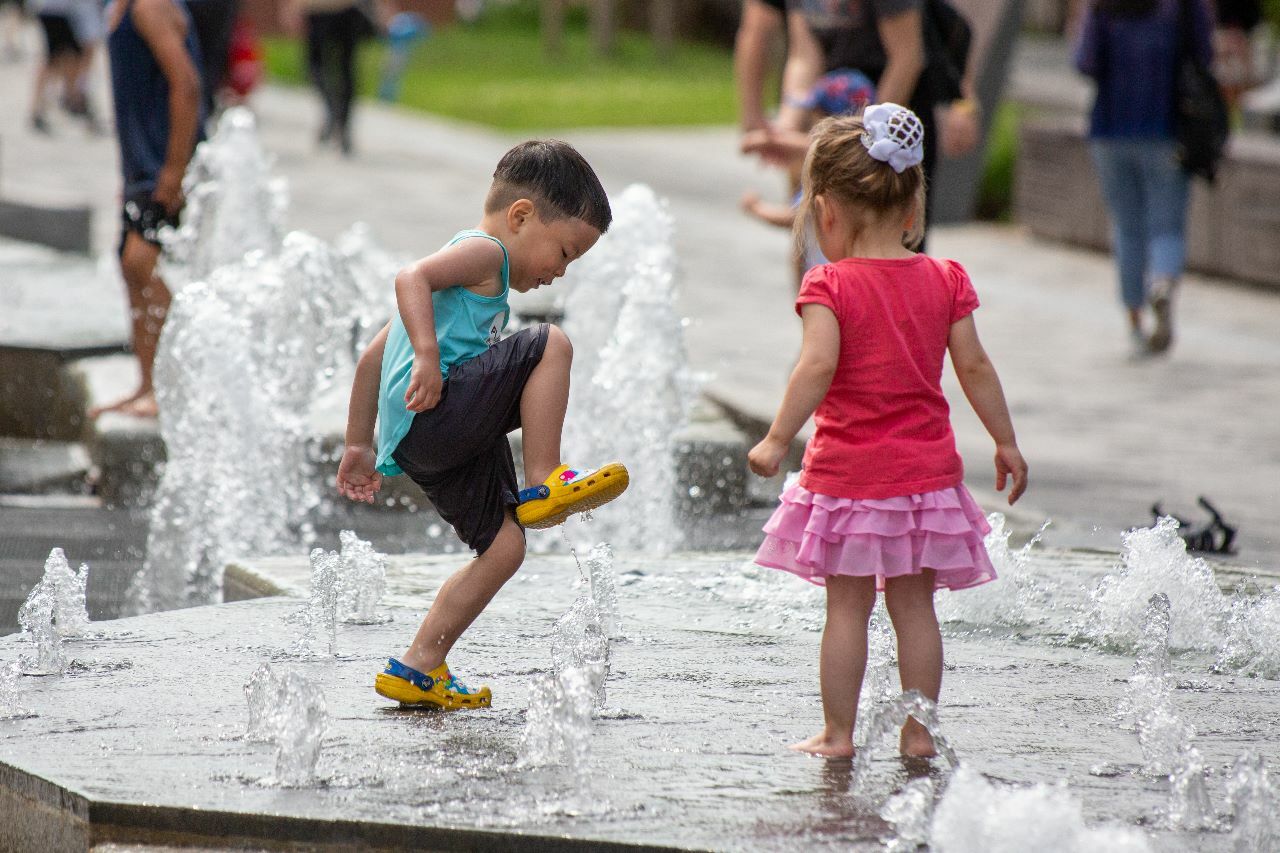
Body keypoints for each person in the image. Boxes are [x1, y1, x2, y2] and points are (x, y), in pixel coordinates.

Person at [747, 105, 1028, 757]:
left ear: (827, 214)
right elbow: (975, 366)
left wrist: (773, 436)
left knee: (846, 609)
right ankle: (918, 733)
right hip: (925, 479)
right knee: (915, 609)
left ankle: (839, 733)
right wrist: (1005, 439)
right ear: (911, 208)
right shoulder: (945, 277)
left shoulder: (829, 283)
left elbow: (815, 365)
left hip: (850, 476)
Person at [336, 140, 631, 710]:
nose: (561, 272)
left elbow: (374, 356)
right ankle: (545, 478)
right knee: (551, 343)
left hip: (424, 440)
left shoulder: (471, 281)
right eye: (564, 252)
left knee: (504, 547)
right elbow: (409, 277)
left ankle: (418, 666)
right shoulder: (485, 252)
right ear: (521, 216)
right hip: (440, 418)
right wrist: (427, 354)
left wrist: (357, 443)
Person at [778, 0, 980, 249]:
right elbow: (804, 55)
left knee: (891, 236)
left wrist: (864, 138)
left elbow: (906, 58)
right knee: (818, 238)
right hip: (835, 108)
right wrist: (786, 129)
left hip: (896, 119)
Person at [1074, 0, 1214, 355]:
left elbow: (1085, 63)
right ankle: (1163, 283)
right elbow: (1205, 56)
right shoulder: (1184, 7)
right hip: (1167, 129)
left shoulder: (1103, 7)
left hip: (1109, 129)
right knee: (1167, 225)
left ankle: (1135, 323)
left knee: (1127, 226)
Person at [94, 0, 204, 418]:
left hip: (165, 161)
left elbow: (187, 85)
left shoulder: (150, 5)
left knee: (140, 262)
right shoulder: (121, 7)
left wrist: (174, 168)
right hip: (145, 163)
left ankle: (177, 384)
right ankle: (147, 384)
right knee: (129, 265)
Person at [281, 0, 373, 155]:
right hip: (333, 8)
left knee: (324, 67)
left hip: (327, 8)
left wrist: (291, 7)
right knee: (340, 68)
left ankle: (336, 118)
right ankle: (339, 121)